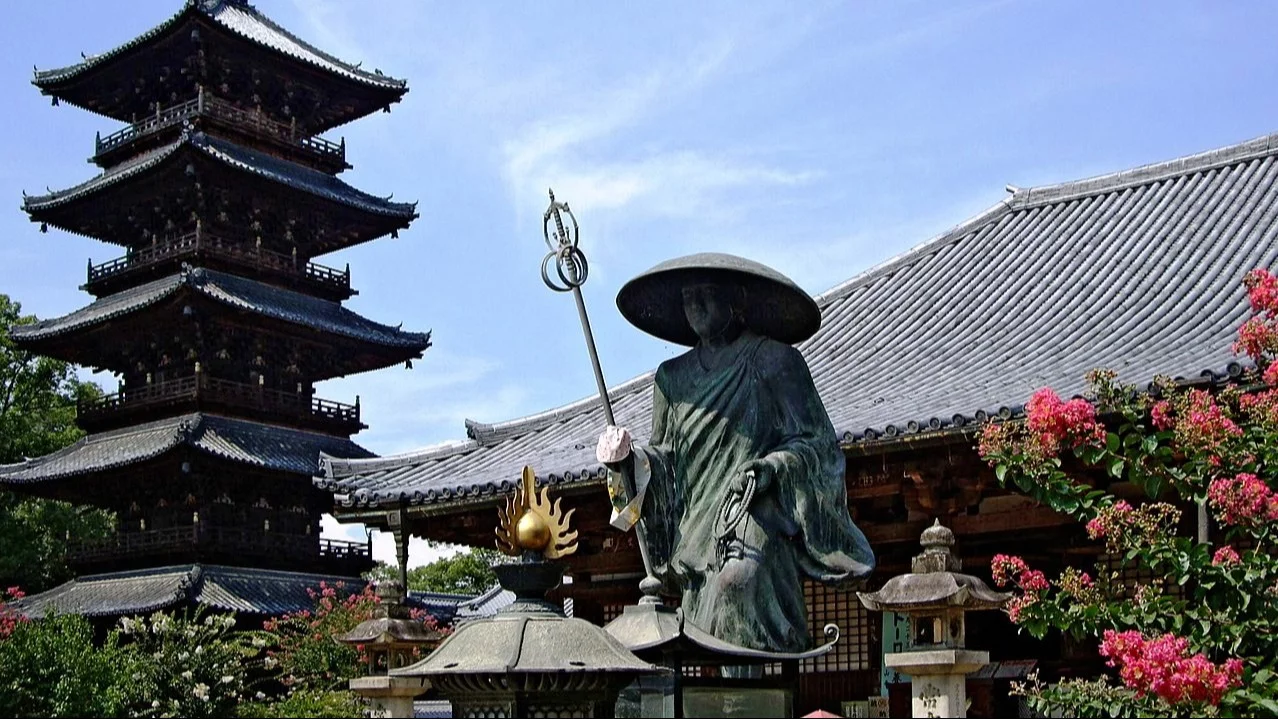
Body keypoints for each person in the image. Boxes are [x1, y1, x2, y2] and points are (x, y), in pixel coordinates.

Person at [598, 253, 874, 653]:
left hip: (752, 511)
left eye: (706, 294)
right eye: (688, 297)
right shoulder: (671, 379)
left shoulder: (776, 362)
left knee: (739, 584)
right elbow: (664, 460)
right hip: (695, 530)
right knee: (699, 635)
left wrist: (772, 467)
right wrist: (626, 461)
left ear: (738, 299)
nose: (695, 306)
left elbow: (817, 445)